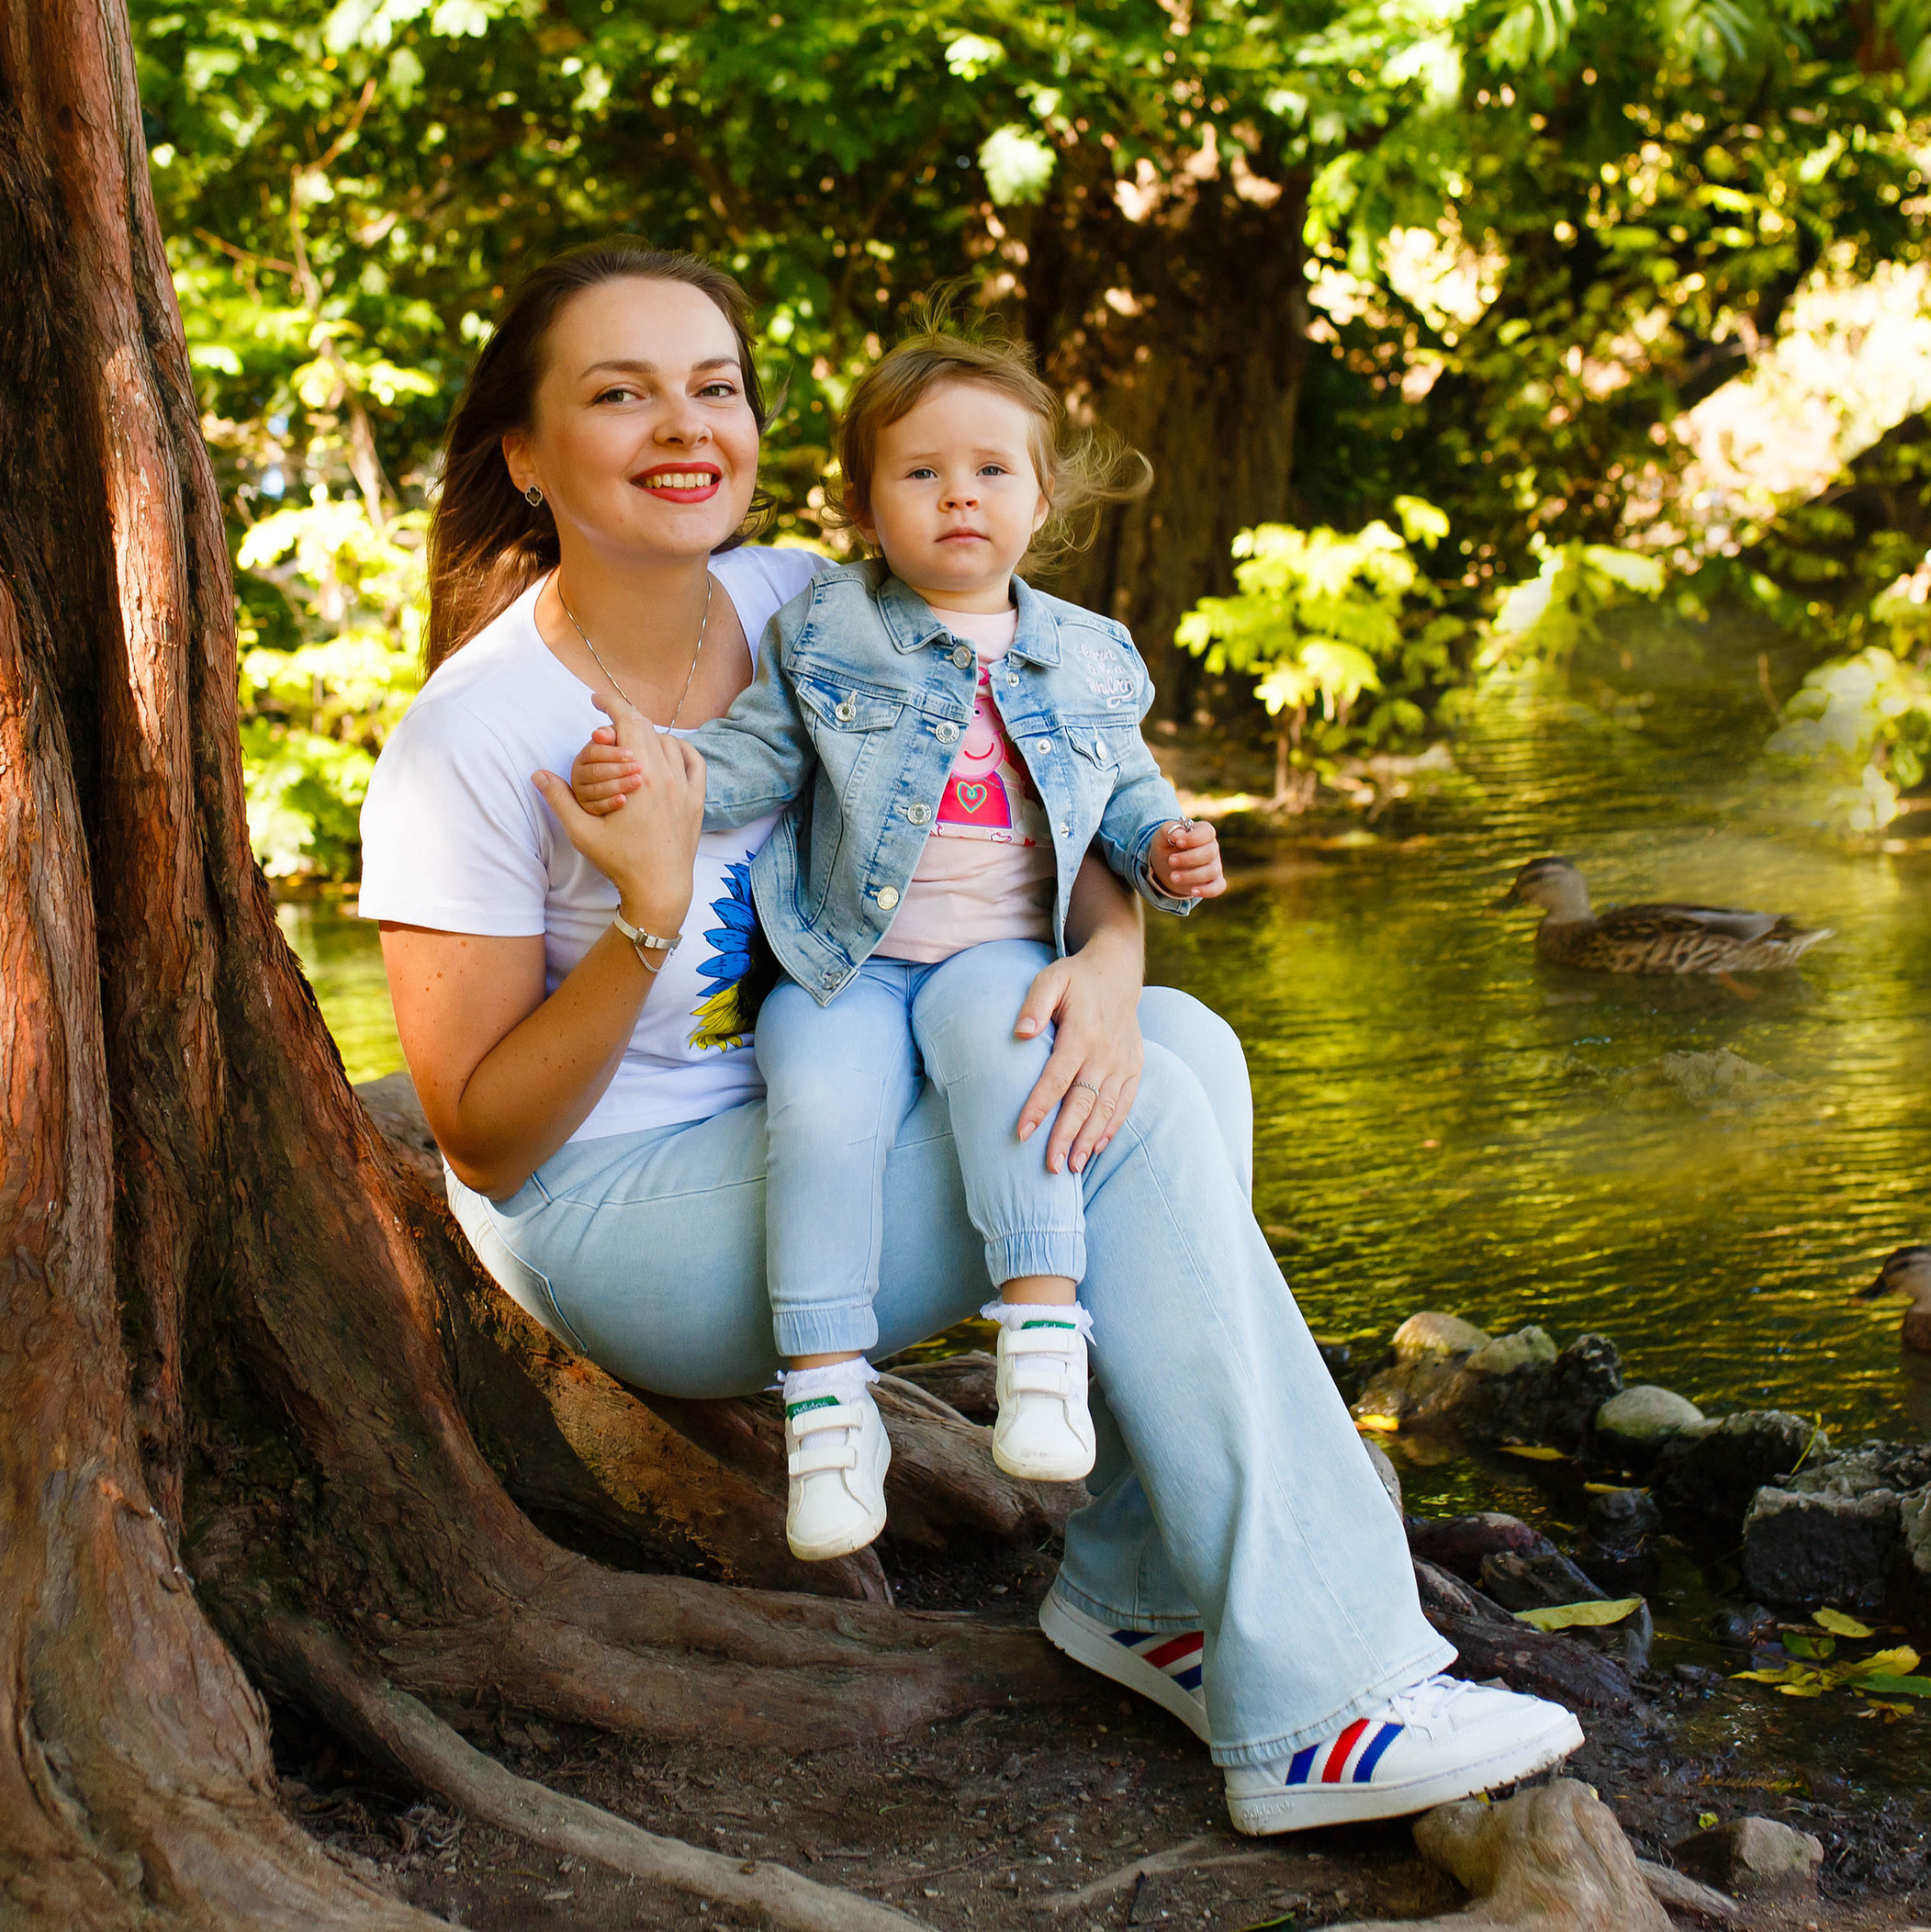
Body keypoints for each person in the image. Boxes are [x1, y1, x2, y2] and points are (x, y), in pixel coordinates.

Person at [359, 241, 1584, 1833]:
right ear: (526, 456)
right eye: (620, 393)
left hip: (833, 1100)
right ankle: (1319, 1703)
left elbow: (1046, 785)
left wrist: (1116, 954)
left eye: (713, 386)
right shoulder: (471, 733)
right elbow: (481, 1133)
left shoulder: (807, 601)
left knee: (1178, 1054)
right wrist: (650, 915)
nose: (684, 424)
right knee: (1125, 1119)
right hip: (626, 1210)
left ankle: (1145, 1583)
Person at [561, 326, 1228, 1561]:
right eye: (919, 474)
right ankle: (827, 1408)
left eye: (990, 471)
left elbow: (1125, 796)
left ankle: (1039, 1341)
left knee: (1022, 1057)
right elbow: (755, 757)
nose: (957, 494)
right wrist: (658, 770)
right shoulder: (830, 631)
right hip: (843, 955)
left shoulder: (1088, 653)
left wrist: (1169, 853)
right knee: (817, 1113)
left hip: (996, 950)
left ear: (1043, 496)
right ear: (869, 504)